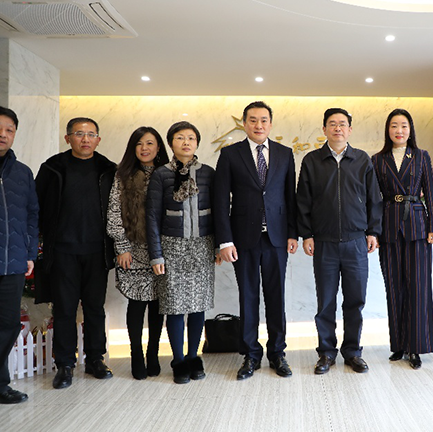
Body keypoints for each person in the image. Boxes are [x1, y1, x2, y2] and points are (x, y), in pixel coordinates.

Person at [213, 101, 297, 380]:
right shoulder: (230, 154)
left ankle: (277, 353)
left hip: (276, 238)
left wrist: (292, 233)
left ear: (270, 124)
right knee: (248, 297)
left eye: (263, 120)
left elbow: (290, 197)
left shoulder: (285, 153)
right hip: (243, 239)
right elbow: (220, 199)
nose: (258, 125)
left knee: (276, 297)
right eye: (252, 120)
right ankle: (250, 355)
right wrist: (225, 241)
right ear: (244, 123)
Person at [297, 108, 382, 375]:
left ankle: (353, 352)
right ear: (324, 129)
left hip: (356, 242)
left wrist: (373, 231)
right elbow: (303, 200)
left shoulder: (362, 160)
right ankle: (326, 352)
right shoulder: (312, 160)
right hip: (324, 242)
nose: (337, 128)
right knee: (325, 302)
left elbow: (374, 199)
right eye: (332, 124)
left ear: (350, 130)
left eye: (342, 124)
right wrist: (307, 234)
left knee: (355, 301)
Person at [35, 117, 116, 389]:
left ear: (98, 140)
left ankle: (95, 359)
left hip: (97, 251)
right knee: (65, 310)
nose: (85, 139)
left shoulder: (108, 169)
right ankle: (65, 364)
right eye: (79, 133)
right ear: (68, 138)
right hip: (62, 251)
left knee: (95, 308)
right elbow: (37, 206)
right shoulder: (52, 168)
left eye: (91, 134)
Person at [146, 121, 220, 384]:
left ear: (197, 143)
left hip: (202, 245)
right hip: (172, 246)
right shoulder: (161, 174)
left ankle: (193, 357)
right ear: (171, 143)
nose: (186, 142)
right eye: (180, 138)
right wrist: (156, 254)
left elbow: (219, 211)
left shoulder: (208, 173)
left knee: (198, 306)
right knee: (175, 306)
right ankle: (178, 360)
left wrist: (219, 245)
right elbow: (152, 216)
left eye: (191, 138)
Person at [371, 109, 433, 369]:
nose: (399, 130)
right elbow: (374, 199)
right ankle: (399, 344)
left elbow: (430, 193)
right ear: (387, 130)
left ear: (410, 130)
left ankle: (416, 346)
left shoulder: (422, 156)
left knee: (418, 287)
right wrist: (374, 231)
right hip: (388, 227)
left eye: (403, 125)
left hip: (418, 226)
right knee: (394, 288)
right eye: (394, 126)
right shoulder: (378, 159)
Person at [107, 127, 169, 379]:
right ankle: (136, 354)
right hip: (132, 250)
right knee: (137, 303)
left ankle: (153, 354)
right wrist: (122, 247)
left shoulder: (167, 173)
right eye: (139, 143)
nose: (145, 148)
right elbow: (114, 213)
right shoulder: (122, 175)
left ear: (158, 147)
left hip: (162, 250)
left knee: (158, 304)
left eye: (150, 143)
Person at [0, 107, 38, 404]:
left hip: (12, 262)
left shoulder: (22, 172)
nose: (3, 135)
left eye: (9, 130)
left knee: (9, 325)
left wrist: (29, 252)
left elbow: (31, 215)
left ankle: (1, 385)